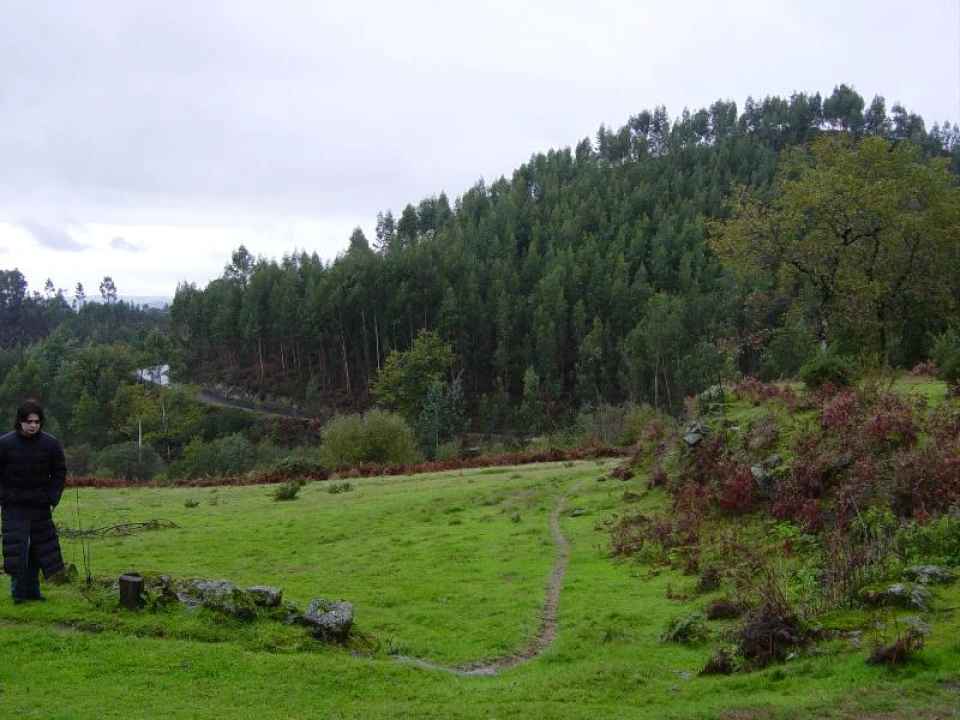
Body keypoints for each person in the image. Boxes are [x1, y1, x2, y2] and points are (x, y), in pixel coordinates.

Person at [0, 399, 67, 603]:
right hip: (14, 506)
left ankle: (33, 592)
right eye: (29, 421)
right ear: (20, 421)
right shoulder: (4, 444)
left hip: (39, 505)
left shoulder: (50, 444)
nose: (33, 425)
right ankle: (18, 594)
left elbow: (59, 472)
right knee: (18, 550)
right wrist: (3, 497)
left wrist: (51, 496)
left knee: (38, 551)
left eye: (37, 422)